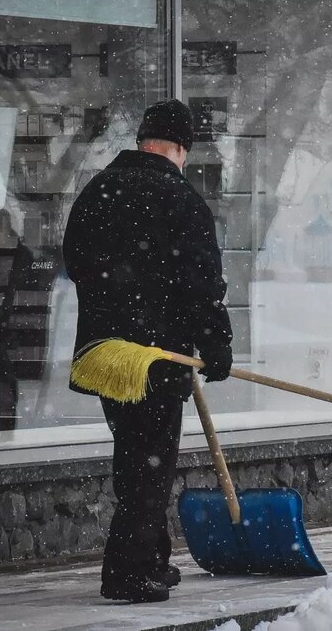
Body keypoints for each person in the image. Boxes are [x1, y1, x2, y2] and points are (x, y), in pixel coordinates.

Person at [61, 99, 233, 603]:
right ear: (180, 148)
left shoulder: (98, 190)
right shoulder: (180, 198)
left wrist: (115, 301)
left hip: (106, 355)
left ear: (142, 140)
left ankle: (153, 560)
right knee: (150, 465)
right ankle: (128, 573)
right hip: (156, 356)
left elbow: (75, 261)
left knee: (135, 456)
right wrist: (215, 344)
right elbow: (202, 281)